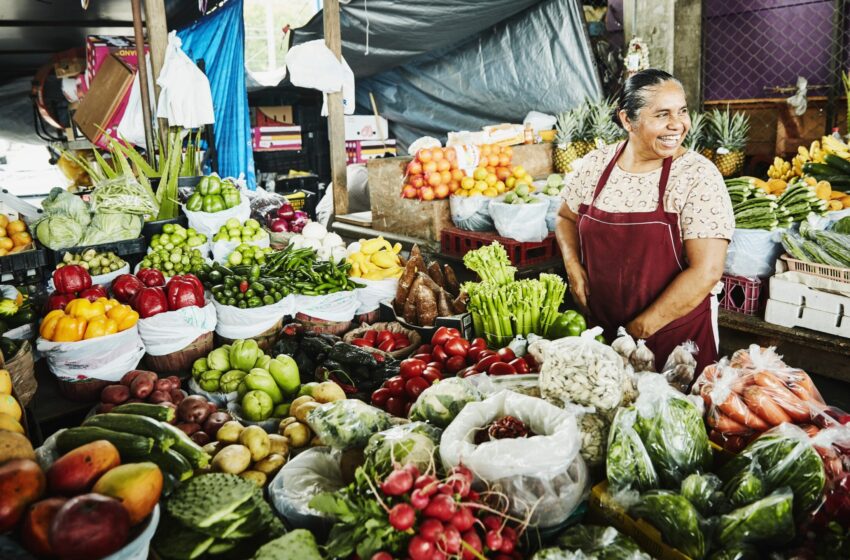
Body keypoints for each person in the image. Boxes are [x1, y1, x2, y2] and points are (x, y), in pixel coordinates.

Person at [554, 69, 734, 374]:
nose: (677, 125)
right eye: (662, 114)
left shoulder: (696, 176)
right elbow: (564, 217)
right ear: (627, 120)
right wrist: (573, 266)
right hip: (601, 331)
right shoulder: (597, 164)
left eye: (682, 112)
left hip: (675, 345)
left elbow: (707, 271)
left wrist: (638, 330)